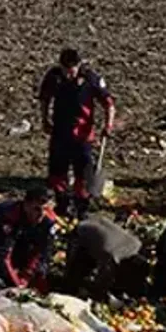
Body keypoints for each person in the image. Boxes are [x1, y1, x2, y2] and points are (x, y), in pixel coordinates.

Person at [37, 48, 115, 218]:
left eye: (71, 70)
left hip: (82, 134)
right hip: (60, 132)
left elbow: (108, 103)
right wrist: (44, 119)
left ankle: (82, 207)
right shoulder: (54, 77)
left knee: (83, 173)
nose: (68, 74)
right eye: (65, 70)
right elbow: (44, 98)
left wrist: (108, 125)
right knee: (57, 171)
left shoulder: (90, 78)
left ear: (78, 65)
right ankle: (62, 203)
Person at [64, 215, 149, 300]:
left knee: (87, 269)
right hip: (82, 235)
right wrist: (99, 295)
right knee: (74, 276)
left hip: (96, 221)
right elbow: (103, 279)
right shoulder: (114, 256)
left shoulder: (136, 244)